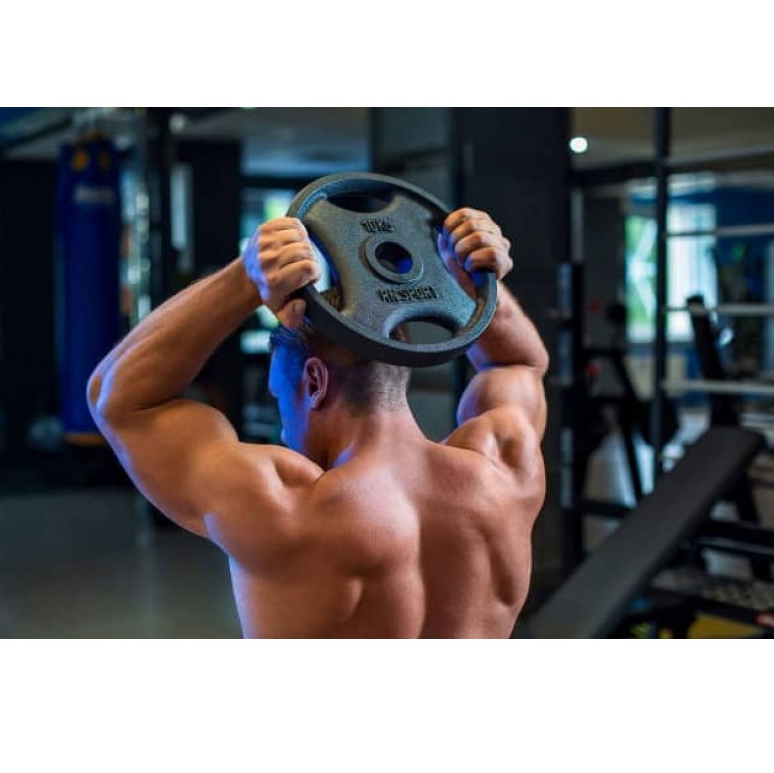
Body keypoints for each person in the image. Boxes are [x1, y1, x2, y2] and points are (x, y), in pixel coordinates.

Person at [88, 207, 549, 638]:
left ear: (313, 382)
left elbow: (116, 398)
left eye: (280, 397)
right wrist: (476, 281)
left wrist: (244, 279)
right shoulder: (503, 467)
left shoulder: (283, 506)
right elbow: (518, 364)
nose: (284, 427)